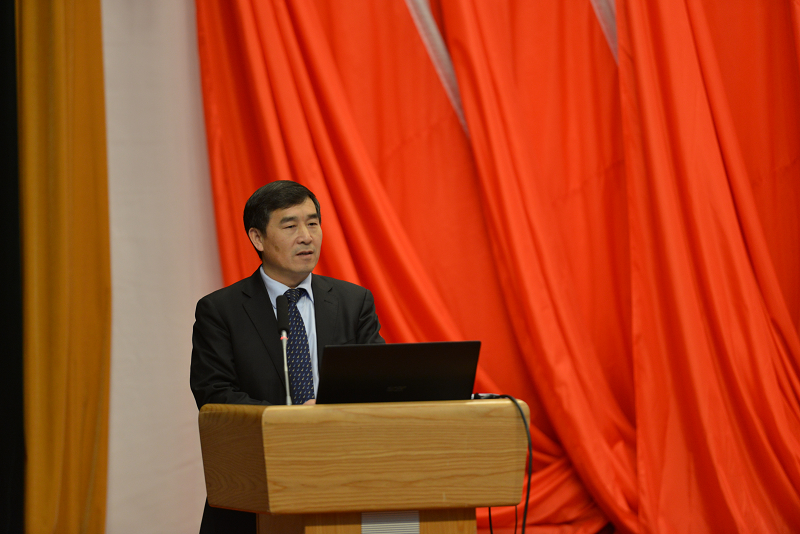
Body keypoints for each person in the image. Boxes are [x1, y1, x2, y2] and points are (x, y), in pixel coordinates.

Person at [190, 180, 384, 533]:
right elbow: (214, 395)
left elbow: (378, 381)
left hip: (345, 475)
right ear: (258, 238)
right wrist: (289, 421)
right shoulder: (221, 311)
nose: (306, 236)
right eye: (290, 225)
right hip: (256, 483)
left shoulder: (353, 302)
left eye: (313, 223)